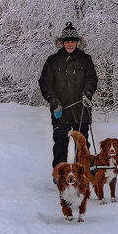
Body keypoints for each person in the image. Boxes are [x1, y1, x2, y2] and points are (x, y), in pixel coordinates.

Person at [39, 22, 98, 169]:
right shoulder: (52, 61)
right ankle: (60, 173)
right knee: (60, 142)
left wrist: (88, 93)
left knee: (82, 144)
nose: (70, 44)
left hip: (81, 109)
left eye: (73, 41)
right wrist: (52, 98)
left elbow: (92, 79)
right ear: (62, 42)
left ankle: (82, 171)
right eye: (67, 41)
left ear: (77, 42)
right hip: (60, 109)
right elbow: (45, 82)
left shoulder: (86, 60)